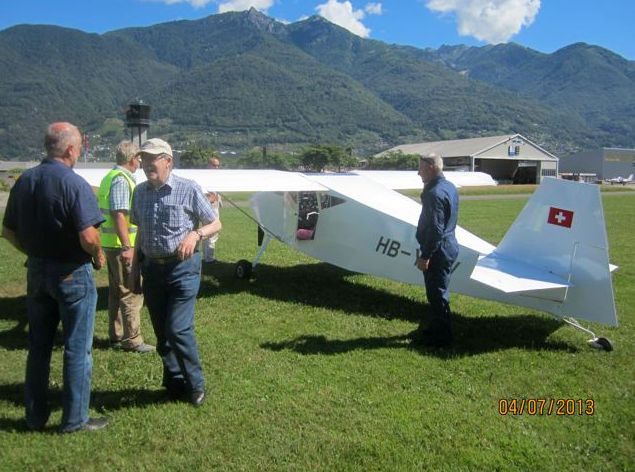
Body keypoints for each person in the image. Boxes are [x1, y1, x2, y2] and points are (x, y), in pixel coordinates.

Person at [1, 122, 108, 432]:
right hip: (72, 273)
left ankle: (35, 416)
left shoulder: (25, 180)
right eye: (80, 148)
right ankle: (74, 419)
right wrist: (98, 254)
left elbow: (8, 231)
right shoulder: (74, 183)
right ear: (71, 149)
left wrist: (33, 252)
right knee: (77, 347)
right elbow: (88, 236)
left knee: (39, 346)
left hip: (37, 271)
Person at [131, 138, 221, 407]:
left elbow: (215, 223)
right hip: (152, 270)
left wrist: (196, 234)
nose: (147, 164)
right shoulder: (140, 192)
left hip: (183, 268)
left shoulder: (188, 188)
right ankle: (174, 381)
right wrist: (134, 270)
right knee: (162, 333)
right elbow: (140, 235)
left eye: (153, 159)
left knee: (178, 328)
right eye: (144, 159)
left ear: (168, 161)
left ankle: (196, 384)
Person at [97, 140, 154, 353]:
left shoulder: (109, 177)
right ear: (132, 159)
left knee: (116, 292)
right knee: (131, 291)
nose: (140, 162)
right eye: (139, 158)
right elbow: (119, 214)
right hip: (122, 246)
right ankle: (132, 339)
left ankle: (117, 335)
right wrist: (128, 247)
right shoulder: (122, 180)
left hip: (111, 244)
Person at [412, 153, 459, 347]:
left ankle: (442, 339)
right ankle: (436, 327)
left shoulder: (433, 193)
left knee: (437, 294)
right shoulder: (449, 187)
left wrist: (425, 256)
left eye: (420, 168)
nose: (418, 173)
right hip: (449, 245)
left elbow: (435, 229)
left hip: (438, 250)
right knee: (437, 291)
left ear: (431, 167)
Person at [203, 156, 221, 263]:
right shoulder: (205, 178)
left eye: (218, 166)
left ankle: (206, 257)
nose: (217, 168)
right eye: (214, 165)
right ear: (208, 165)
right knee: (212, 232)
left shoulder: (215, 177)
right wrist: (210, 198)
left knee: (207, 233)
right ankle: (209, 259)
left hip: (214, 207)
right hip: (210, 208)